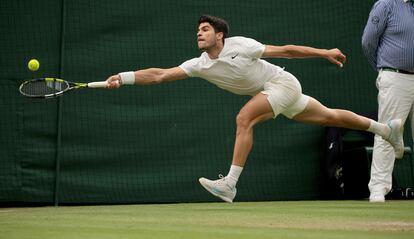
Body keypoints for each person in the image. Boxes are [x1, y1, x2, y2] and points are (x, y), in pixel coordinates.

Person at [106, 15, 404, 203]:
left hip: (282, 83)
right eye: (198, 30)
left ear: (219, 35)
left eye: (205, 29)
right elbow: (159, 74)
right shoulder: (199, 64)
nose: (199, 33)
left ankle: (230, 184)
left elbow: (285, 50)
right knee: (329, 116)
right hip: (273, 92)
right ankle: (385, 129)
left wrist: (323, 52)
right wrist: (124, 77)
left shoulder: (242, 45)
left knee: (243, 118)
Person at [362, 0, 414, 203]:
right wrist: (384, 69)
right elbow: (368, 42)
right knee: (386, 132)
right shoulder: (386, 4)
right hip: (394, 76)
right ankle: (378, 188)